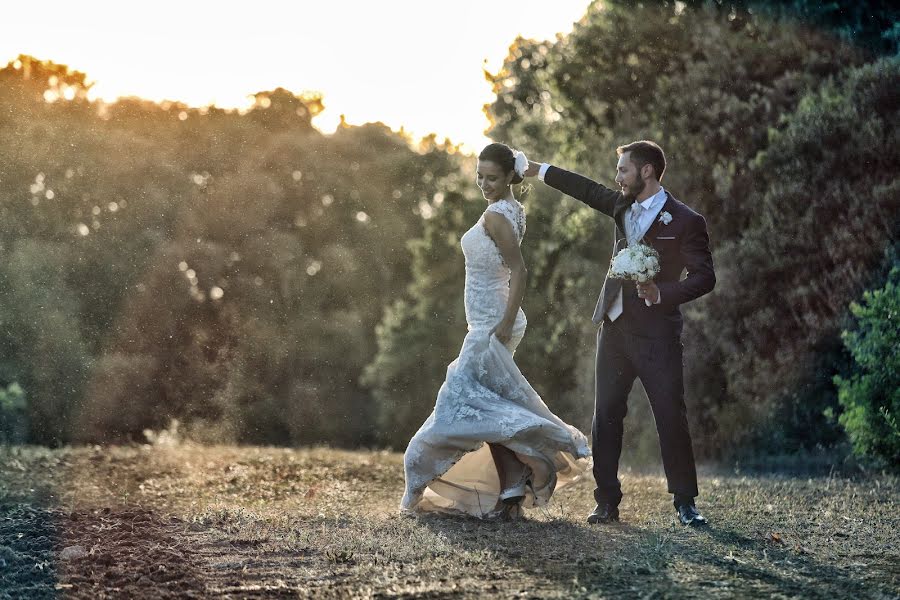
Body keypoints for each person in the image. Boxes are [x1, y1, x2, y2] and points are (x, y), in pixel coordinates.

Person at [524, 140, 715, 526]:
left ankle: (685, 502)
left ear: (646, 171)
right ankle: (606, 501)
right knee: (606, 416)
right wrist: (537, 169)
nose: (617, 178)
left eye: (623, 170)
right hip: (613, 330)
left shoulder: (685, 220)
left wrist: (664, 292)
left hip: (658, 335)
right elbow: (584, 188)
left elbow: (705, 276)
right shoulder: (621, 205)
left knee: (670, 416)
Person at [400, 142, 590, 520]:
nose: (483, 184)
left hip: (492, 327)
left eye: (492, 178)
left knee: (456, 404)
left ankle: (533, 461)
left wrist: (503, 323)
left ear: (509, 178)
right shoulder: (509, 211)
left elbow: (519, 271)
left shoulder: (498, 217)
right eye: (479, 176)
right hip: (489, 322)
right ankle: (513, 488)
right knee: (489, 408)